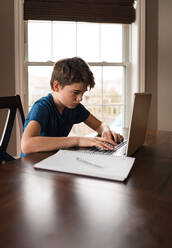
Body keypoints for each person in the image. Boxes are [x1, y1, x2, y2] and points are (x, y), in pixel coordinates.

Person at [21, 57, 123, 156]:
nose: (80, 98)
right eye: (76, 92)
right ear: (57, 86)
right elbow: (26, 145)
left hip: (54, 159)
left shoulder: (74, 107)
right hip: (32, 163)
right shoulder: (42, 107)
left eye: (83, 93)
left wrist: (106, 131)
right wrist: (78, 140)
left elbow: (98, 125)